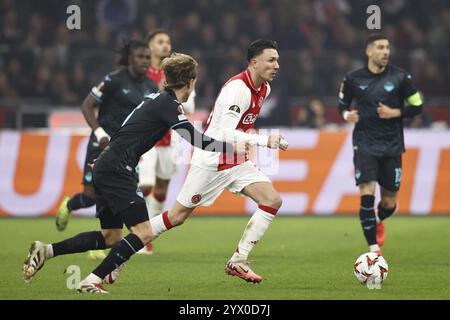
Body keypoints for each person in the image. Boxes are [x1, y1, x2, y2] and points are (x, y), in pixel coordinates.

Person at [22, 53, 246, 293]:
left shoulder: (153, 98)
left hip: (107, 165)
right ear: (191, 82)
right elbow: (194, 138)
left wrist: (104, 159)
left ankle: (46, 250)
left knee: (110, 237)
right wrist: (231, 147)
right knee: (144, 232)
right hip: (118, 168)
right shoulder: (168, 105)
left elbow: (125, 126)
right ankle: (91, 281)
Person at [128, 39, 286, 284]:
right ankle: (121, 254)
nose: (276, 65)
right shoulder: (238, 89)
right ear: (254, 62)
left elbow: (240, 127)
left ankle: (238, 261)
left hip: (235, 159)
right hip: (212, 159)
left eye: (277, 60)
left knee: (272, 200)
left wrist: (252, 140)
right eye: (271, 60)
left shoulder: (264, 89)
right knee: (177, 217)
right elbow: (223, 132)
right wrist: (264, 141)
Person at [54, 40, 158, 259]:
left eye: (147, 57)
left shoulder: (150, 87)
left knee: (121, 196)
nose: (144, 61)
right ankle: (70, 204)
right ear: (130, 58)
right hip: (100, 145)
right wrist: (100, 132)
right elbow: (87, 105)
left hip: (125, 153)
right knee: (91, 196)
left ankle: (103, 241)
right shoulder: (114, 79)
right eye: (140, 57)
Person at [338, 34, 423, 255]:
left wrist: (396, 112)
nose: (385, 51)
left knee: (389, 202)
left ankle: (379, 218)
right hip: (364, 143)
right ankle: (373, 249)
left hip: (392, 145)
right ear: (369, 51)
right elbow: (342, 104)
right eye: (380, 47)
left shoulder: (401, 77)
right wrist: (347, 114)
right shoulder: (353, 78)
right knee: (367, 193)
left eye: (387, 47)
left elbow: (418, 104)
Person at [137, 29, 196, 255]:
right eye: (160, 41)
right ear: (150, 46)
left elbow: (189, 106)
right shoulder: (141, 75)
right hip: (147, 139)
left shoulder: (178, 73)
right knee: (146, 185)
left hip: (170, 140)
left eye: (167, 41)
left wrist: (172, 94)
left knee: (161, 188)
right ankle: (134, 230)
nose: (165, 45)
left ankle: (147, 236)